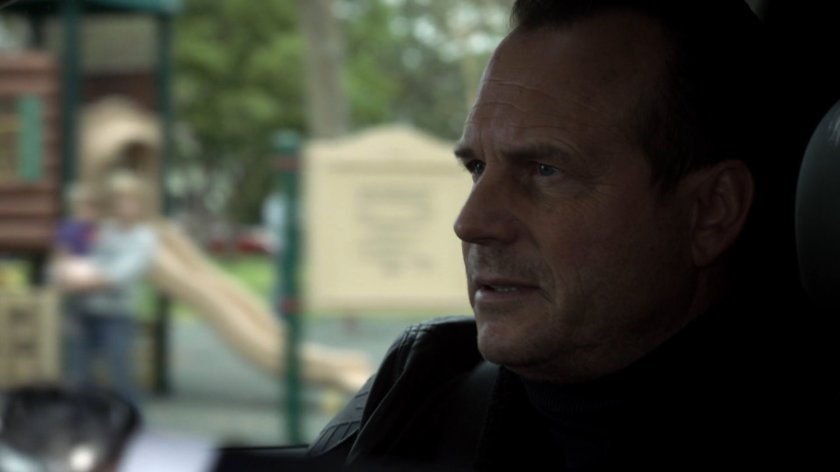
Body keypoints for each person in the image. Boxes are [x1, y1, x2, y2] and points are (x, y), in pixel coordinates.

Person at [299, 0, 818, 470]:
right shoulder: (419, 390)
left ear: (710, 212)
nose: (470, 223)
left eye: (545, 169)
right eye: (477, 167)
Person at [55, 172, 157, 407]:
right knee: (78, 372)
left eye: (130, 201)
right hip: (84, 309)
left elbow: (119, 275)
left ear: (141, 205)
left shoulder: (143, 238)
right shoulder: (101, 230)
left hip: (117, 315)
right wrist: (64, 269)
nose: (124, 207)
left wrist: (79, 280)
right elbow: (73, 254)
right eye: (119, 201)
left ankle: (130, 422)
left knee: (120, 373)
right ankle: (81, 423)